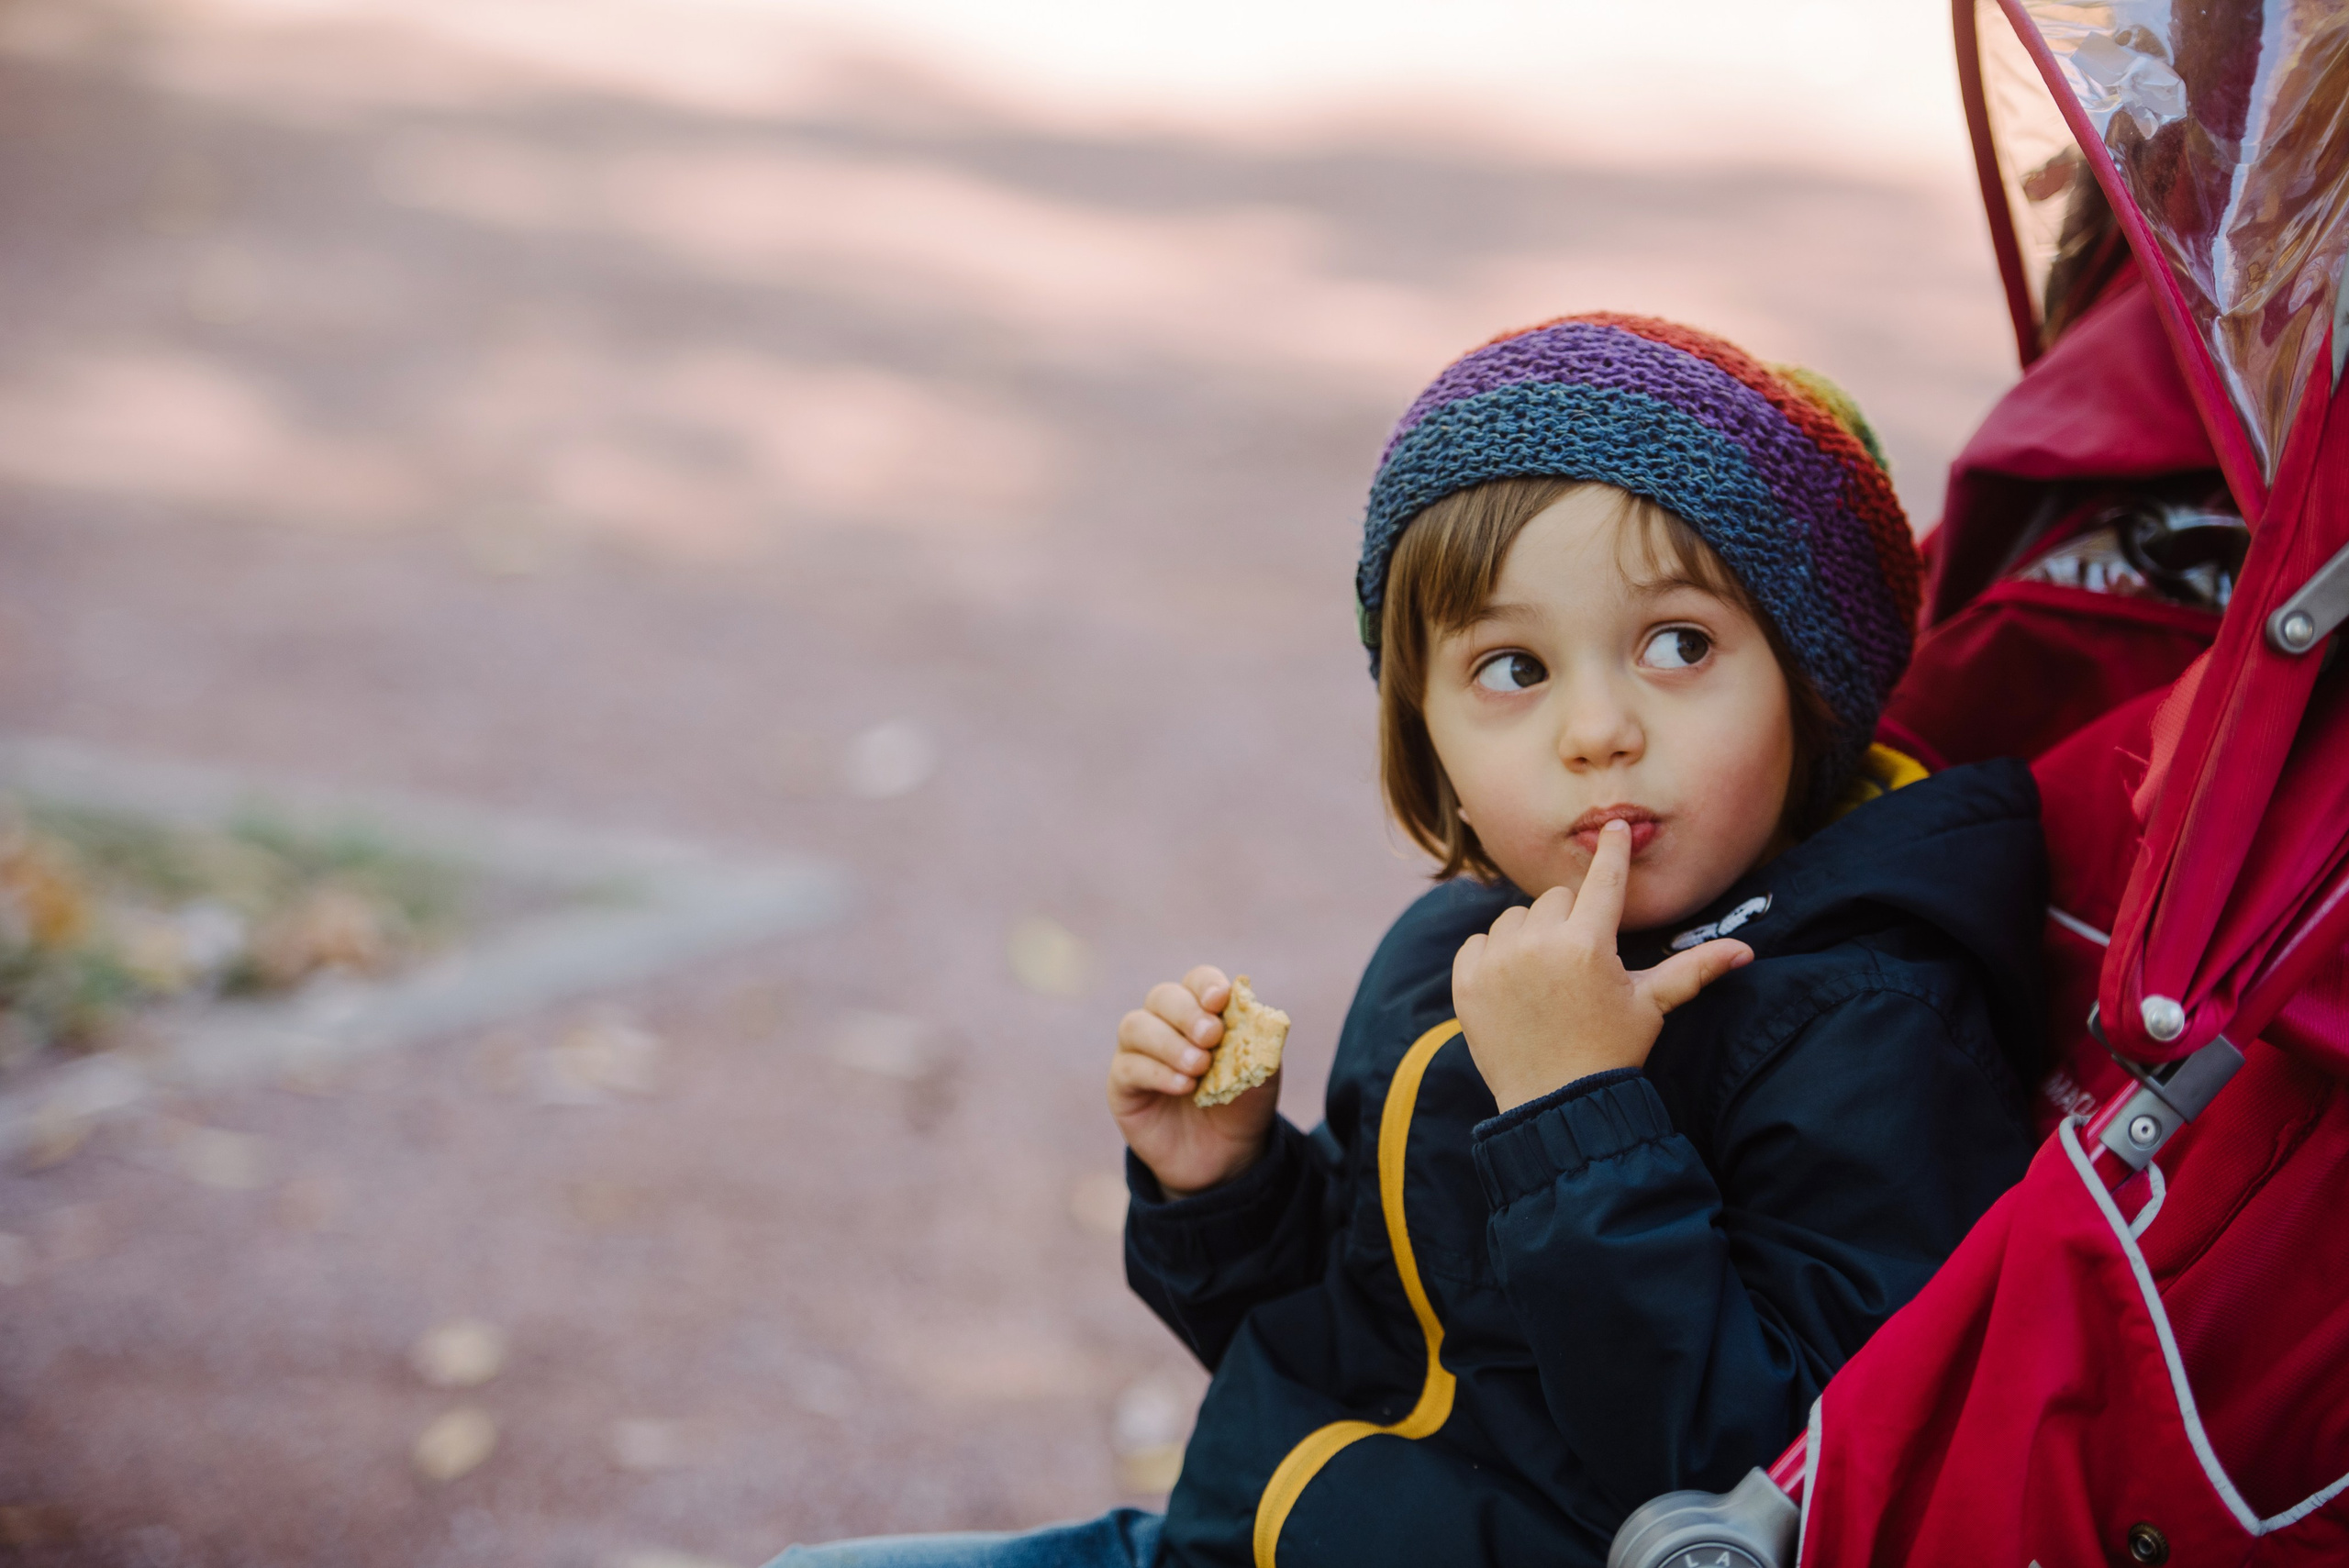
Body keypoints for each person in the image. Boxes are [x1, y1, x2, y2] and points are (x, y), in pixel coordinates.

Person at [770, 316, 2045, 1568]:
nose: (1597, 730)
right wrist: (1227, 1188)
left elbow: (1761, 1485)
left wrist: (1578, 1112)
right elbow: (1359, 1347)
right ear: (1423, 727)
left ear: (1810, 685)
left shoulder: (1867, 1019)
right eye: (1513, 668)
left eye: (1678, 645)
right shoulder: (1459, 943)